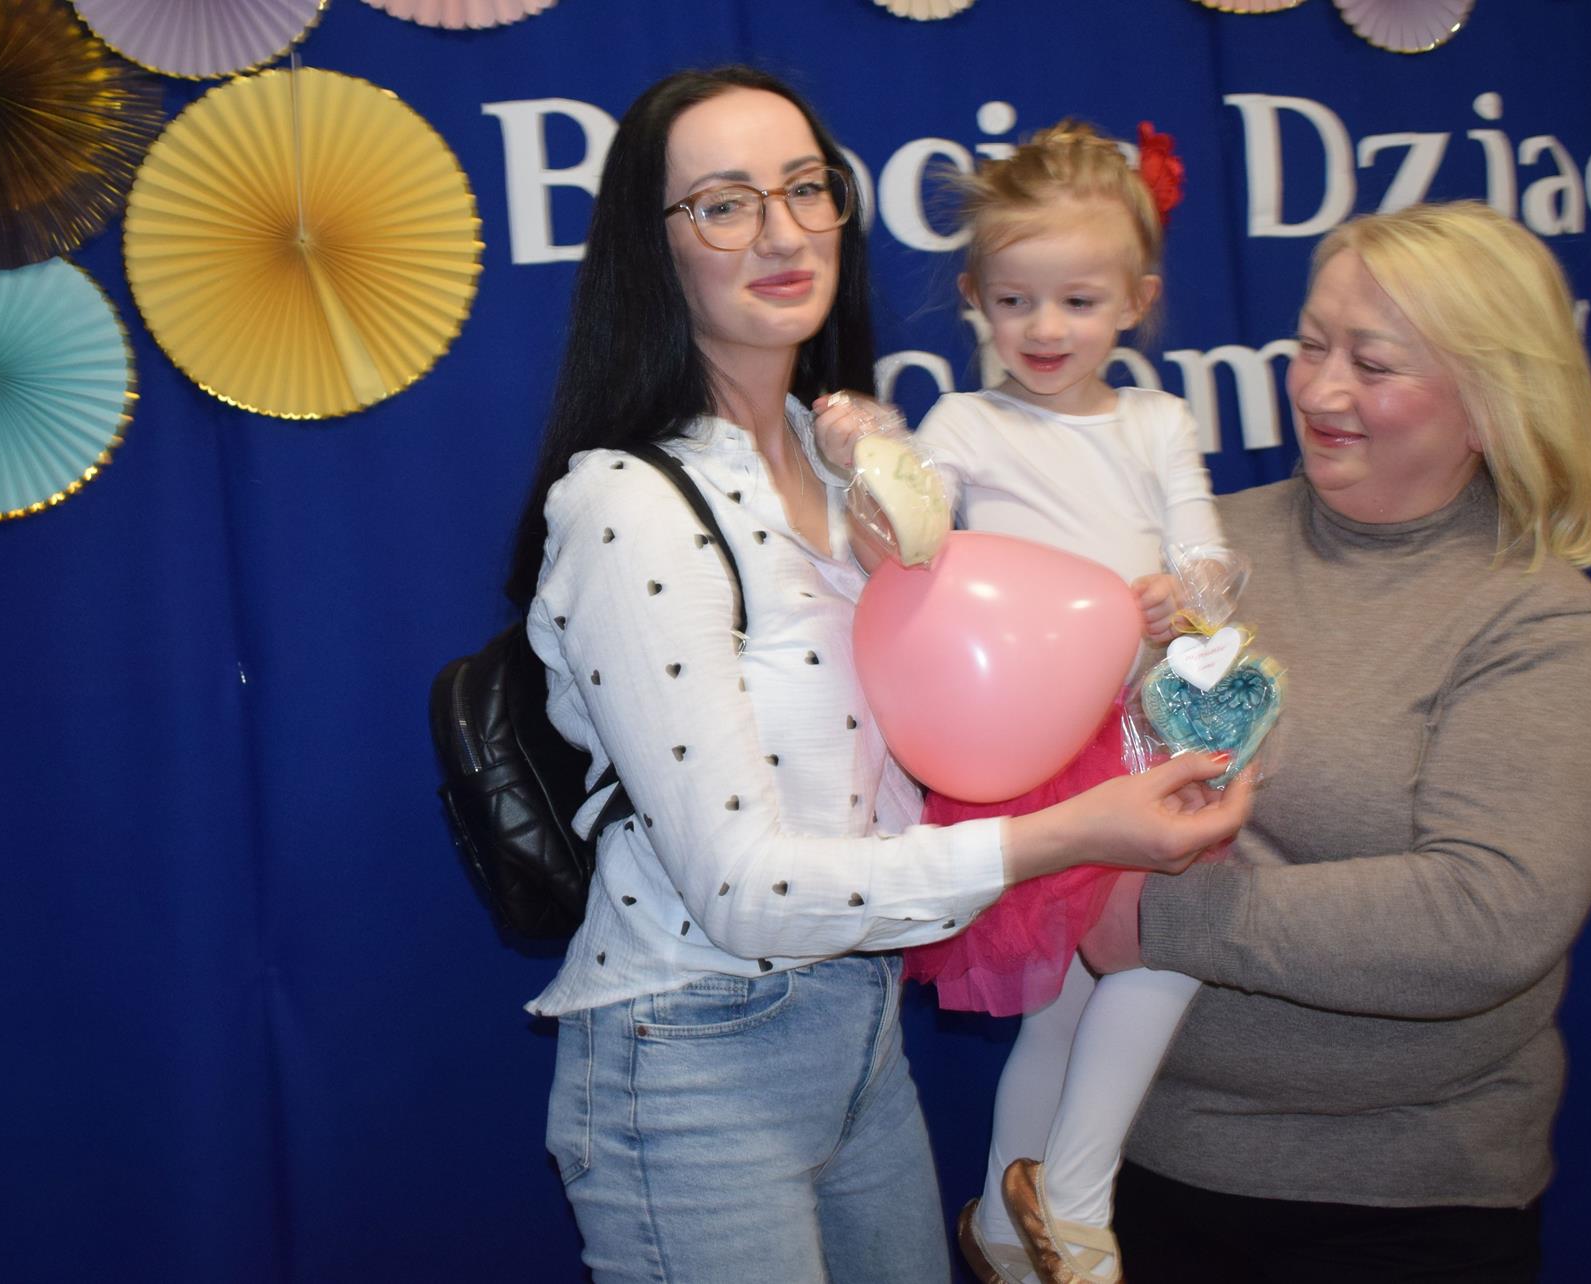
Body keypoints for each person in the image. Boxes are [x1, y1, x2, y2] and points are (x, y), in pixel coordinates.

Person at [502, 68, 1254, 1284]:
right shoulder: (628, 505)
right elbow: (742, 892)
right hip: (692, 1057)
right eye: (724, 204)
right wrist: (1067, 836)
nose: (782, 232)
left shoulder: (862, 478)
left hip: (863, 1040)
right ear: (653, 246)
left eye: (806, 189)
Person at [1077, 201, 1591, 1283]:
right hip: (1137, 1170)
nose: (1319, 390)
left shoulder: (1536, 622)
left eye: (1372, 365)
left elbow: (1485, 917)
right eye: (1309, 345)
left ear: (1490, 402)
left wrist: (1153, 916)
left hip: (1399, 1210)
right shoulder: (1198, 561)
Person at [820, 120, 1227, 1284]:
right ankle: (1075, 1202)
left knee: (1093, 988)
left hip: (1146, 729)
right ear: (973, 299)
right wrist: (870, 463)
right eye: (1014, 301)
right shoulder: (966, 425)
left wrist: (1189, 592)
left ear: (1135, 303)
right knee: (1130, 967)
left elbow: (1205, 551)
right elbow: (906, 537)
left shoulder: (1155, 423)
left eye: (1078, 302)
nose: (1044, 329)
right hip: (1037, 751)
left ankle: (1007, 1227)